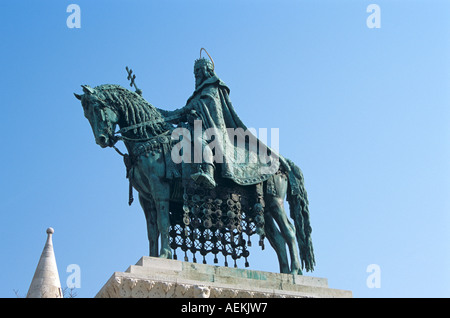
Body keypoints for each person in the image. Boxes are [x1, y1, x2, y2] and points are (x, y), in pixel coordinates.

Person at [159, 50, 279, 188]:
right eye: (195, 71)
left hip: (212, 128)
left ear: (207, 70)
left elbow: (208, 107)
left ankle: (208, 172)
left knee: (199, 139)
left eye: (199, 70)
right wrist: (157, 112)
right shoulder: (197, 94)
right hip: (195, 126)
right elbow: (180, 113)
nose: (196, 73)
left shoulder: (212, 87)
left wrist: (195, 113)